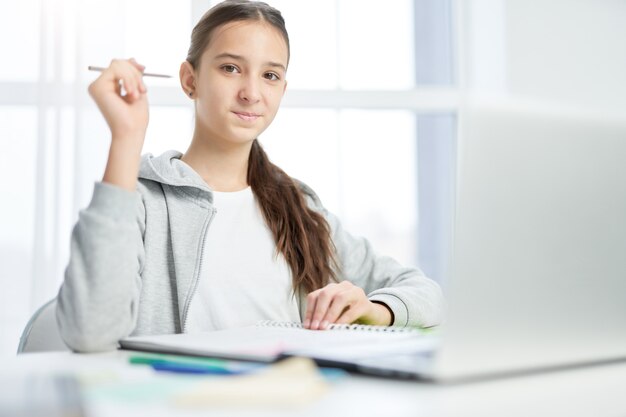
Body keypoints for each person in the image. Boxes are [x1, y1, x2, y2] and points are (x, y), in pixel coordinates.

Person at [56, 0, 444, 352]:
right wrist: (126, 137)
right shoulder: (141, 200)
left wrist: (376, 310)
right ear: (190, 80)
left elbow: (426, 293)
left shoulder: (300, 208)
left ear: (282, 89)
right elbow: (90, 333)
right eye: (230, 68)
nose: (251, 93)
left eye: (270, 76)